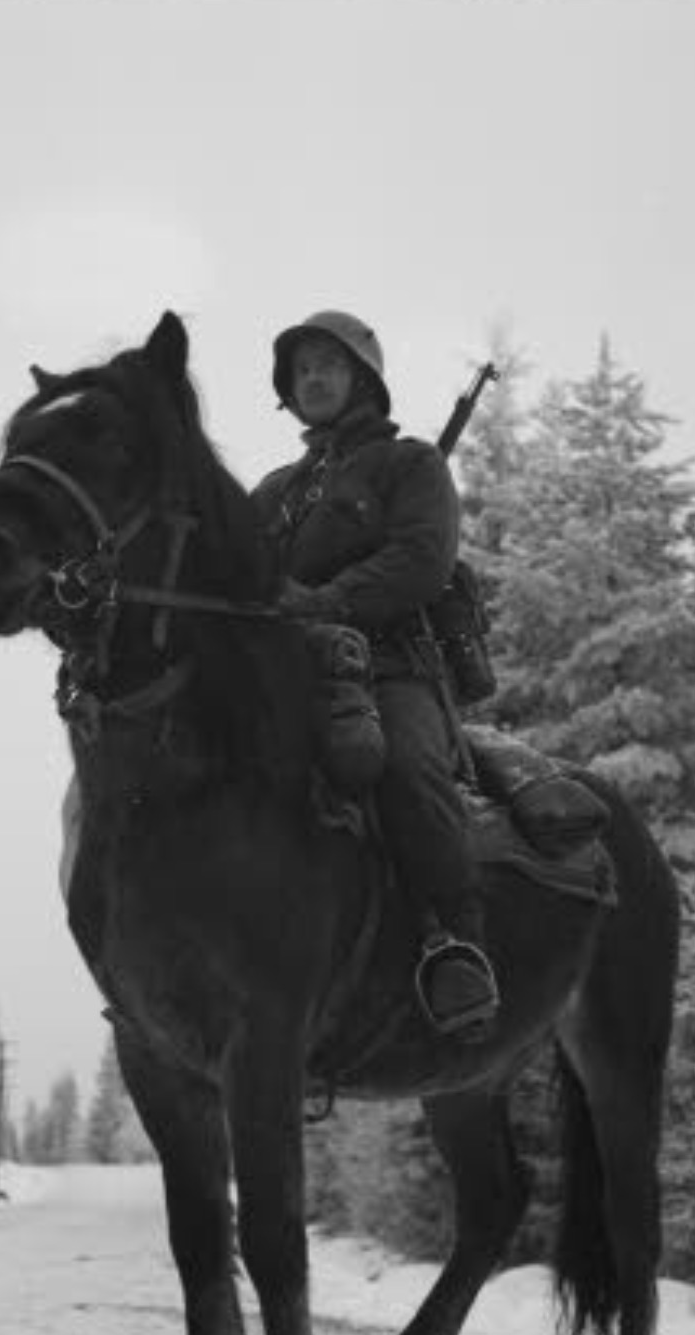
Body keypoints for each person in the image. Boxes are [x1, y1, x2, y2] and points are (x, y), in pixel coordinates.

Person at [252, 310, 499, 1039]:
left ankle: (457, 944)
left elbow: (422, 561)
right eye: (302, 370)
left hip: (391, 666)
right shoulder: (272, 493)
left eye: (329, 364)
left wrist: (324, 602)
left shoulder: (410, 465)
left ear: (364, 377)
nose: (315, 378)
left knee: (406, 770)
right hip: (287, 675)